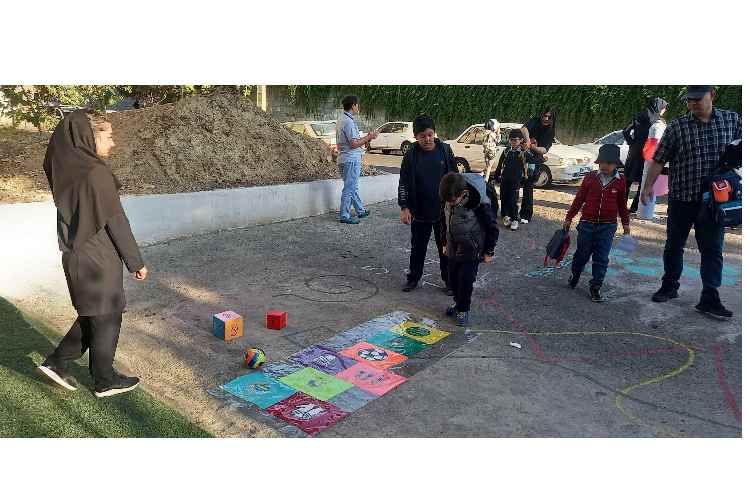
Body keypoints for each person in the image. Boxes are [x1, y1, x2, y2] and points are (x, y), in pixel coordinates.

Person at [38, 110, 148, 398]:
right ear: (89, 136)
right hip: (97, 258)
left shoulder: (68, 173)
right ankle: (105, 379)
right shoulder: (96, 173)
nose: (112, 143)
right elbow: (116, 220)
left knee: (93, 315)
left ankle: (58, 362)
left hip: (76, 257)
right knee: (108, 315)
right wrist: (135, 261)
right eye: (108, 136)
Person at [641, 86, 742, 319]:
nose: (693, 104)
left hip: (715, 202)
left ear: (712, 95)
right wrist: (647, 187)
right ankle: (669, 286)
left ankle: (709, 296)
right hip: (682, 198)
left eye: (698, 99)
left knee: (712, 249)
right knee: (674, 245)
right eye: (690, 100)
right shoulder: (677, 126)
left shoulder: (731, 120)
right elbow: (659, 159)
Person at [399, 114, 458, 293]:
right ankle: (413, 279)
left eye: (430, 134)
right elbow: (403, 182)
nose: (427, 139)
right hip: (419, 211)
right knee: (418, 248)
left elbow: (455, 178)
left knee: (446, 248)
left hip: (443, 211)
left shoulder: (445, 150)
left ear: (435, 133)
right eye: (423, 135)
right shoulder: (411, 155)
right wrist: (404, 207)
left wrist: (456, 202)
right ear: (416, 136)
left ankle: (449, 281)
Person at [563, 144, 630, 303]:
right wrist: (569, 217)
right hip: (587, 224)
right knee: (582, 254)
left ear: (616, 164)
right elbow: (579, 199)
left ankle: (596, 286)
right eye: (602, 162)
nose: (605, 166)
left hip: (607, 227)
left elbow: (622, 204)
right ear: (598, 162)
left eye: (609, 163)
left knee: (601, 258)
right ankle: (575, 274)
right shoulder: (590, 177)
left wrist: (626, 224)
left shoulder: (620, 181)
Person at [439, 172, 499, 326]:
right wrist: (444, 242)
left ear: (463, 194)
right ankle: (458, 303)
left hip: (473, 248)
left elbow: (492, 228)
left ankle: (463, 309)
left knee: (465, 280)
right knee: (452, 278)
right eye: (447, 201)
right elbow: (444, 221)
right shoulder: (450, 198)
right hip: (454, 245)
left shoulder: (478, 203)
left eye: (452, 200)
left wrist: (489, 251)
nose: (450, 204)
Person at [336, 95, 379, 224]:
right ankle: (344, 215)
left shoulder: (341, 119)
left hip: (344, 158)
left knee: (352, 186)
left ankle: (360, 210)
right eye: (357, 105)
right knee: (350, 188)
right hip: (350, 159)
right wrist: (369, 136)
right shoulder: (348, 122)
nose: (358, 107)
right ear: (353, 105)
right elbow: (353, 143)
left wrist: (367, 138)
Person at [622, 97, 668, 213]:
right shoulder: (658, 122)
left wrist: (632, 143)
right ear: (659, 107)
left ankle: (620, 206)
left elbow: (625, 131)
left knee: (627, 180)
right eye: (664, 108)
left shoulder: (638, 116)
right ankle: (635, 207)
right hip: (647, 153)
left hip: (634, 151)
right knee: (643, 180)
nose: (664, 111)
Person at [520, 106, 556, 223]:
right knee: (513, 185)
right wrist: (527, 140)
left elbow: (544, 150)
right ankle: (510, 212)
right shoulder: (534, 121)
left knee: (528, 187)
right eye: (544, 115)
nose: (545, 118)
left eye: (549, 117)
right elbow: (524, 129)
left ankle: (526, 215)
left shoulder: (551, 131)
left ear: (552, 119)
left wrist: (532, 146)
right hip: (521, 157)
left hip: (534, 160)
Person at [493, 129, 529, 231]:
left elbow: (531, 160)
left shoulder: (523, 152)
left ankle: (514, 219)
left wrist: (542, 159)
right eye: (511, 140)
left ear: (521, 140)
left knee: (513, 200)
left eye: (515, 140)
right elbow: (500, 164)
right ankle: (505, 216)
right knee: (504, 198)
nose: (513, 142)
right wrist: (496, 175)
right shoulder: (506, 151)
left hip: (516, 180)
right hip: (505, 179)